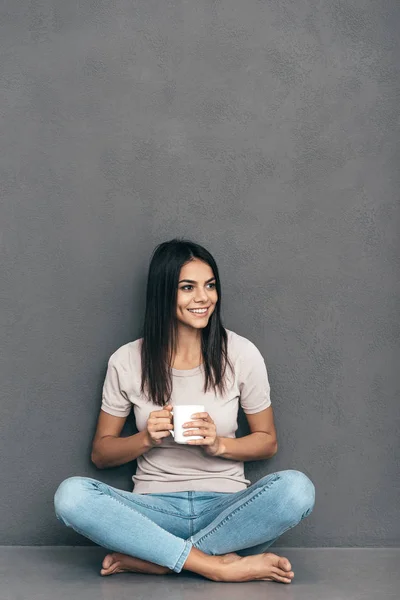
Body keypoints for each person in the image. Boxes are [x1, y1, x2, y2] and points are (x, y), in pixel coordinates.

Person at [54, 238, 315, 583]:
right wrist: (146, 438)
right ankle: (214, 565)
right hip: (154, 510)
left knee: (297, 489)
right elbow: (102, 453)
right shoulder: (126, 360)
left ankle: (158, 560)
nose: (203, 298)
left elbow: (267, 442)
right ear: (164, 293)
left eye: (210, 285)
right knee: (71, 496)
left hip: (226, 509)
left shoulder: (241, 353)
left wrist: (219, 444)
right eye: (187, 288)